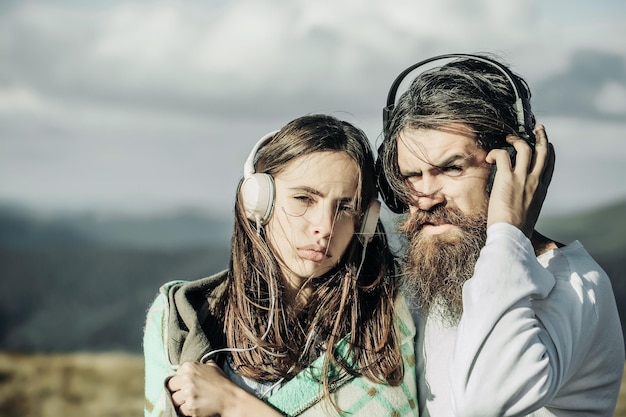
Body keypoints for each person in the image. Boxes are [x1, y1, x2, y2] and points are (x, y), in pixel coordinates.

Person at [376, 53, 625, 416]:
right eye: (411, 176)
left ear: (511, 167)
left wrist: (509, 233)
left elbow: (484, 402)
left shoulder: (574, 285)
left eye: (450, 168)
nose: (425, 197)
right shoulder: (441, 274)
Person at [143, 114, 419, 417]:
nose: (325, 227)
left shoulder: (391, 325)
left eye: (345, 207)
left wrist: (233, 403)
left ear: (364, 221)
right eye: (304, 198)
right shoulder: (180, 319)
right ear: (259, 201)